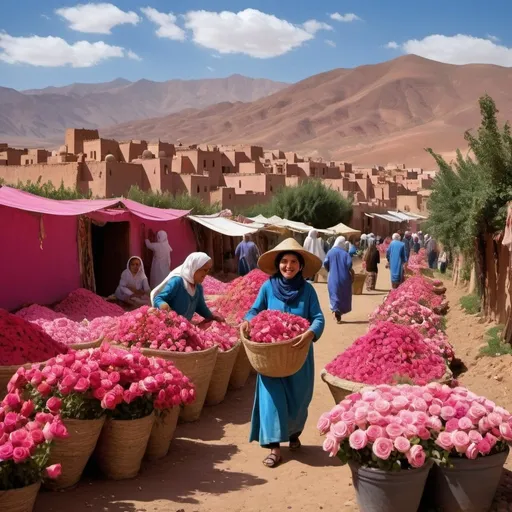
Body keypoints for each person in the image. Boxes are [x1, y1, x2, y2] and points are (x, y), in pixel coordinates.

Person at [240, 238, 325, 468]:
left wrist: (309, 334)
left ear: (300, 266)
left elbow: (318, 317)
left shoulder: (307, 290)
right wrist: (248, 321)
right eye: (284, 262)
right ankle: (275, 448)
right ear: (278, 264)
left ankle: (294, 432)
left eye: (293, 262)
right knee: (272, 400)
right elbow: (254, 309)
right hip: (270, 357)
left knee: (298, 400)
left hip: (299, 355)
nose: (289, 266)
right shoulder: (268, 287)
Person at [151, 252, 224, 322]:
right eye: (204, 270)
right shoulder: (177, 282)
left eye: (208, 270)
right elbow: (158, 298)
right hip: (170, 325)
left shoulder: (198, 287)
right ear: (194, 268)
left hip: (184, 326)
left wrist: (211, 316)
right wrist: (163, 305)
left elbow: (201, 306)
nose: (206, 274)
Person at [324, 236, 354, 323]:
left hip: (333, 277)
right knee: (343, 295)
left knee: (334, 294)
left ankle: (336, 310)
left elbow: (325, 263)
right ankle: (340, 311)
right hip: (345, 278)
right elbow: (349, 265)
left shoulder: (330, 252)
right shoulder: (345, 254)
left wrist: (330, 269)